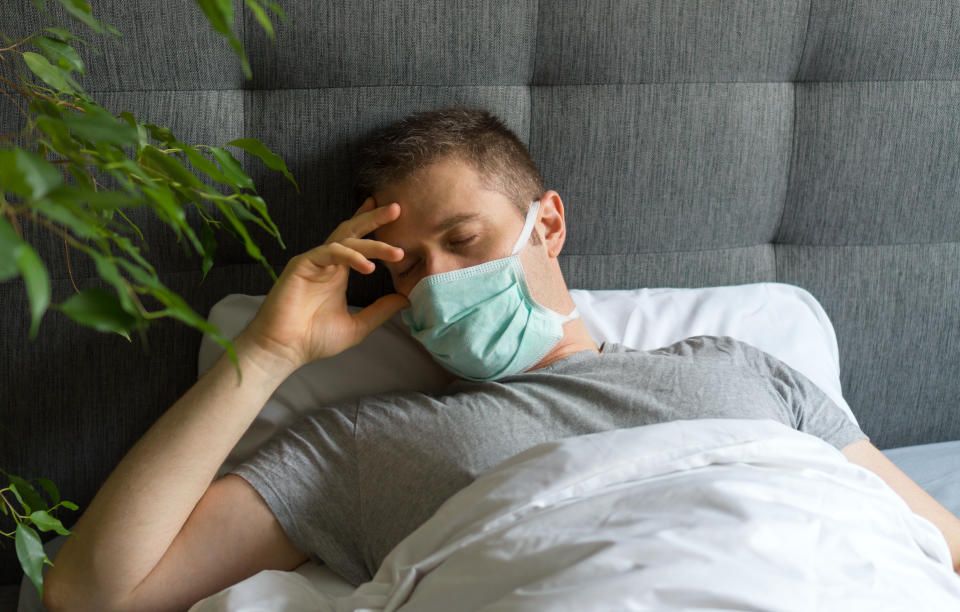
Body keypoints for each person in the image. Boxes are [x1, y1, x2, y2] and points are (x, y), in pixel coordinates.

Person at [43, 108, 960, 611]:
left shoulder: (743, 367)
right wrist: (270, 351)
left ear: (547, 223)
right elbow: (94, 594)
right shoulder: (363, 447)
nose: (438, 284)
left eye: (465, 240)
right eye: (406, 268)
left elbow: (934, 546)